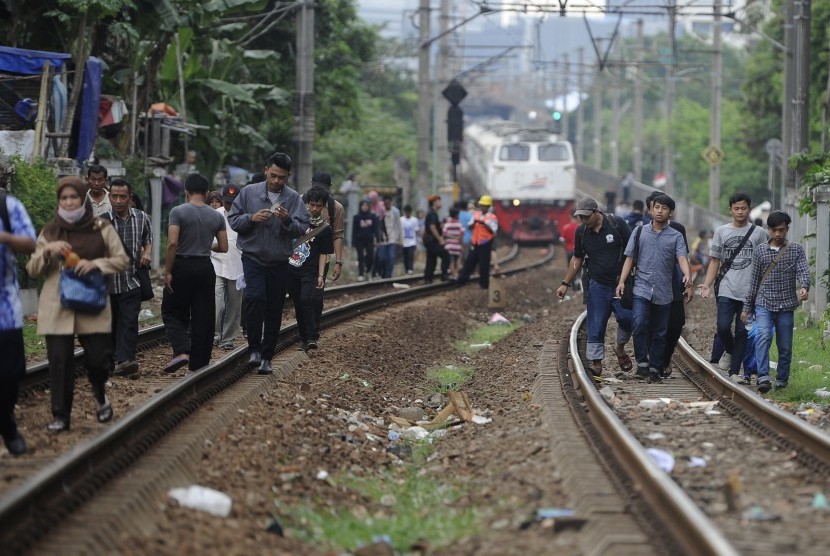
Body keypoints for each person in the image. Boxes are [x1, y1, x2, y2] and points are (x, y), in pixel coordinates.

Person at [26, 176, 130, 432]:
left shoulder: (100, 227)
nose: (69, 202)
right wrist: (48, 251)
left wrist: (95, 264)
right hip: (57, 305)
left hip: (92, 303)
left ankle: (99, 393)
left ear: (82, 199)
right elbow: (32, 269)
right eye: (64, 198)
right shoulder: (50, 231)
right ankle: (61, 416)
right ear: (59, 200)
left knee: (98, 360)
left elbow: (122, 260)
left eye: (74, 197)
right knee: (59, 361)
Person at [228, 152, 308, 375]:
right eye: (273, 176)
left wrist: (286, 220)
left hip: (280, 261)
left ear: (288, 176)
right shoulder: (248, 193)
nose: (276, 181)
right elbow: (233, 220)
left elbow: (301, 228)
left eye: (281, 178)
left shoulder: (293, 199)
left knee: (274, 307)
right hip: (253, 257)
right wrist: (251, 218)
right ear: (266, 171)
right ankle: (253, 348)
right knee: (254, 298)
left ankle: (267, 357)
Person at [616, 194, 691, 383]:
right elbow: (629, 258)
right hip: (641, 287)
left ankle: (655, 367)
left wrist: (687, 275)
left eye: (664, 208)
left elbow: (682, 257)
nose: (659, 211)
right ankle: (642, 363)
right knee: (639, 323)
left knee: (660, 332)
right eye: (657, 207)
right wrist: (622, 281)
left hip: (664, 291)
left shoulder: (676, 236)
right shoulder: (639, 232)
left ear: (670, 213)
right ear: (650, 210)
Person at [556, 196, 632, 377]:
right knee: (596, 324)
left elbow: (632, 250)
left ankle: (619, 347)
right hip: (597, 284)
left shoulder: (616, 224)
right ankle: (597, 364)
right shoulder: (581, 232)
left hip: (620, 283)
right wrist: (565, 283)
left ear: (596, 212)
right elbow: (577, 258)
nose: (583, 221)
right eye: (580, 217)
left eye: (586, 217)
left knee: (628, 318)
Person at [161, 173, 228, 374]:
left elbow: (172, 243)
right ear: (207, 193)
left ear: (186, 192)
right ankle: (199, 364)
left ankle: (181, 350)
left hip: (182, 266)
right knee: (204, 316)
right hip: (205, 267)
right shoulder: (217, 216)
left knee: (172, 310)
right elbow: (223, 247)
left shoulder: (178, 211)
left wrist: (167, 271)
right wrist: (206, 244)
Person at [698, 192, 767, 381]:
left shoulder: (759, 233)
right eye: (736, 208)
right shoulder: (721, 231)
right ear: (730, 210)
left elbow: (764, 262)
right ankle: (729, 350)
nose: (740, 212)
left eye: (743, 208)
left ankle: (735, 372)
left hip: (749, 291)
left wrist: (762, 287)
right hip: (727, 288)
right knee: (722, 327)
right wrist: (706, 284)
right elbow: (714, 261)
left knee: (742, 332)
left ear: (749, 210)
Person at [741, 211, 810, 393]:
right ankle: (763, 376)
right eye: (774, 230)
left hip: (786, 304)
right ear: (769, 230)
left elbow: (803, 270)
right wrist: (747, 308)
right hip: (763, 303)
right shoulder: (760, 252)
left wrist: (804, 286)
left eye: (781, 230)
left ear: (787, 229)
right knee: (763, 336)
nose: (778, 234)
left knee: (785, 345)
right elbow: (754, 281)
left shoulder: (796, 249)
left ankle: (781, 379)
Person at [0, 185, 36, 454]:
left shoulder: (8, 206)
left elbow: (30, 243)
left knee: (10, 375)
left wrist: (3, 237)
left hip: (6, 311)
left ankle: (7, 423)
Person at [105, 178, 153, 377]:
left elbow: (147, 240)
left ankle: (126, 360)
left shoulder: (142, 218)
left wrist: (147, 252)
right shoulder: (101, 221)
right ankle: (109, 363)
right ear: (109, 197)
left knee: (129, 322)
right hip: (107, 284)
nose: (118, 201)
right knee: (109, 325)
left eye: (122, 197)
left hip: (131, 281)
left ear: (130, 198)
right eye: (114, 196)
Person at [288, 186, 334, 351]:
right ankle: (304, 337)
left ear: (323, 207)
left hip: (310, 270)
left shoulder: (325, 229)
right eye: (312, 204)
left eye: (318, 205)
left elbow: (324, 253)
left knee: (307, 299)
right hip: (292, 269)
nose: (314, 208)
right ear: (306, 203)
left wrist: (321, 275)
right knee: (299, 303)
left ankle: (311, 336)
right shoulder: (297, 220)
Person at [211, 184, 243, 350]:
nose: (229, 204)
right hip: (216, 263)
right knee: (217, 303)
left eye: (233, 201)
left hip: (238, 267)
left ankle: (228, 338)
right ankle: (215, 335)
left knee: (234, 306)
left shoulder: (244, 217)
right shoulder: (214, 214)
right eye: (227, 201)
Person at [455, 195, 500, 289]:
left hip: (485, 243)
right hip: (475, 243)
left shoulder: (492, 217)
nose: (483, 207)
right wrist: (475, 222)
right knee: (469, 262)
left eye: (485, 205)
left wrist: (484, 224)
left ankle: (484, 284)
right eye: (482, 205)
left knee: (484, 264)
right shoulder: (476, 215)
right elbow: (470, 226)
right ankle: (461, 281)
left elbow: (493, 231)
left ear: (488, 207)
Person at [308, 172, 345, 281]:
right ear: (311, 184)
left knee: (316, 292)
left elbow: (337, 235)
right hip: (300, 256)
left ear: (329, 188)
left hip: (322, 257)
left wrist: (338, 263)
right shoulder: (300, 201)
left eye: (323, 188)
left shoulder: (336, 208)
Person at [423, 194, 449, 283]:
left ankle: (428, 278)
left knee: (431, 259)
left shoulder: (433, 213)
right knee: (445, 255)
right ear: (434, 202)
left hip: (430, 240)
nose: (440, 203)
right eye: (438, 201)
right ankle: (444, 275)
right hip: (431, 240)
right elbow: (432, 227)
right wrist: (440, 239)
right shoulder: (432, 213)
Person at [351, 200, 379, 281]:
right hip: (359, 240)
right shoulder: (356, 217)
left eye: (366, 205)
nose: (364, 207)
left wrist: (377, 239)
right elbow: (354, 230)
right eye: (363, 205)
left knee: (370, 256)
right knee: (360, 257)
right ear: (360, 206)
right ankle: (361, 273)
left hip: (369, 239)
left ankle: (367, 270)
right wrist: (353, 242)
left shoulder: (372, 216)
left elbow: (376, 229)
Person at [377, 195, 402, 278]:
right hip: (382, 239)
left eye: (388, 202)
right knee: (382, 258)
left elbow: (398, 225)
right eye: (385, 202)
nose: (387, 204)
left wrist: (400, 239)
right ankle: (382, 274)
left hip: (393, 238)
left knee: (391, 258)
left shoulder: (395, 212)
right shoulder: (380, 211)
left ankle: (388, 276)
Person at [559, 213, 580, 291]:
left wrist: (566, 248)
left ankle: (574, 287)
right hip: (579, 252)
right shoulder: (580, 227)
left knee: (571, 269)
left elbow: (562, 240)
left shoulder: (566, 227)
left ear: (570, 216)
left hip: (569, 251)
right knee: (579, 269)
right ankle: (579, 284)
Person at [442, 206, 464, 279]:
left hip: (449, 246)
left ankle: (453, 273)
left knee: (450, 260)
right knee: (457, 259)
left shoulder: (447, 224)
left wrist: (451, 237)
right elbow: (462, 234)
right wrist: (457, 238)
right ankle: (457, 273)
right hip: (457, 245)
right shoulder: (460, 224)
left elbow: (444, 233)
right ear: (457, 215)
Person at [400, 205, 419, 274]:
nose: (407, 213)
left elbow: (416, 231)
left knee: (410, 256)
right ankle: (406, 269)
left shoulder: (414, 220)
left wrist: (417, 241)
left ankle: (410, 269)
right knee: (405, 256)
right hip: (404, 241)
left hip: (412, 241)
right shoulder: (401, 220)